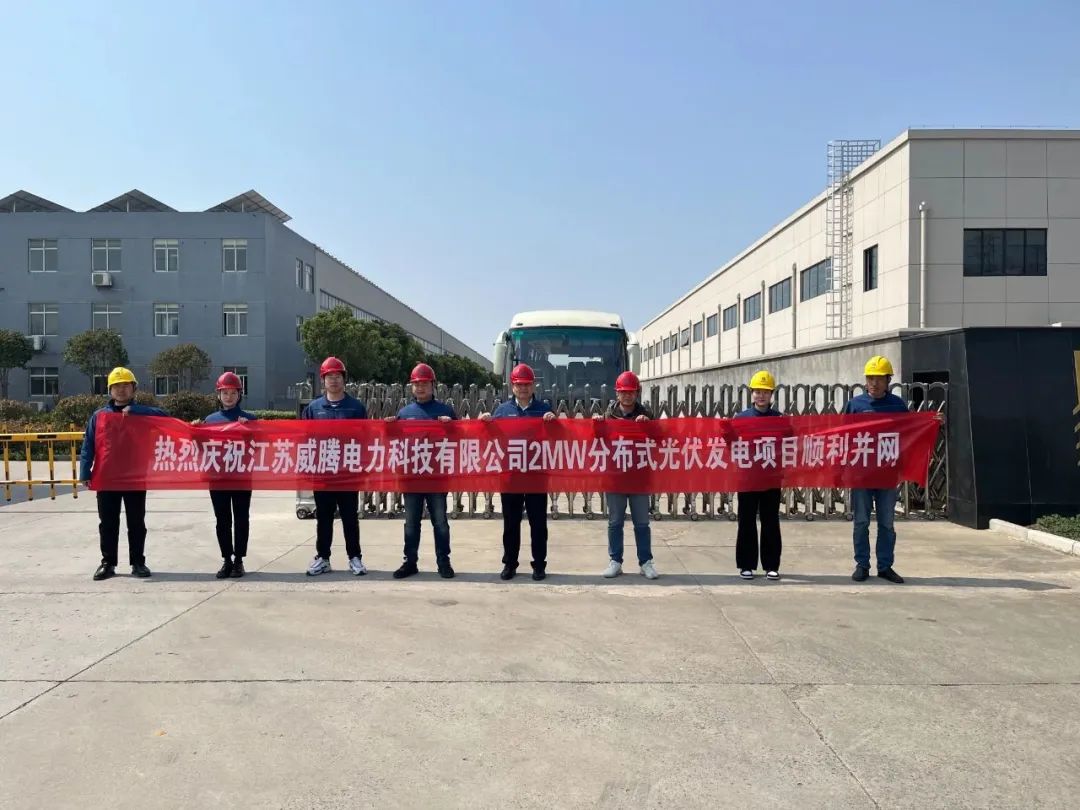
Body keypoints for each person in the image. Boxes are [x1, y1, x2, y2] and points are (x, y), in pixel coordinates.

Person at [80, 367, 168, 581]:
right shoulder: (99, 416)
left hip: (135, 477)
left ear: (133, 388)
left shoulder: (143, 414)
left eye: (125, 385)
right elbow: (88, 445)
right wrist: (85, 472)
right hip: (107, 477)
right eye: (116, 386)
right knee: (108, 523)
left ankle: (138, 562)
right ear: (110, 390)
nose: (121, 390)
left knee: (136, 523)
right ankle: (108, 563)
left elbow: (166, 418)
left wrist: (137, 411)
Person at [479, 363, 557, 581]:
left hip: (536, 475)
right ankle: (510, 564)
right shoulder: (502, 411)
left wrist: (554, 422)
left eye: (527, 384)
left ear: (533, 386)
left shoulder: (544, 410)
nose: (523, 388)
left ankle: (539, 565)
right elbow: (491, 440)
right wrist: (485, 424)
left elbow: (558, 439)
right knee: (511, 523)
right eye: (519, 384)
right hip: (510, 476)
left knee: (538, 524)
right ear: (512, 386)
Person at [386, 363, 456, 579]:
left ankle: (443, 562)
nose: (420, 387)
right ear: (411, 387)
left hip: (437, 477)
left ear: (433, 385)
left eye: (424, 383)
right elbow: (395, 443)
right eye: (416, 384)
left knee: (440, 522)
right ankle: (410, 562)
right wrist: (389, 428)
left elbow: (461, 438)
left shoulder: (445, 411)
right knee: (411, 523)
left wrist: (452, 425)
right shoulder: (404, 413)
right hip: (412, 477)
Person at [301, 356, 368, 577]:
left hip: (348, 473)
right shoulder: (313, 408)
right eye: (329, 376)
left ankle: (355, 557)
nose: (334, 380)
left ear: (344, 379)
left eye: (338, 376)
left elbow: (366, 439)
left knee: (350, 517)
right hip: (323, 474)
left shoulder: (356, 408)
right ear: (323, 380)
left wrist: (362, 467)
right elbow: (305, 440)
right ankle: (323, 558)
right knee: (324, 518)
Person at [843, 355, 908, 584]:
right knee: (861, 521)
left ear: (888, 380)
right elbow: (842, 436)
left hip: (887, 475)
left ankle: (885, 566)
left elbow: (910, 433)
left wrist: (933, 422)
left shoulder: (898, 406)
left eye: (879, 378)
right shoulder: (855, 405)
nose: (874, 382)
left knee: (886, 523)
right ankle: (862, 565)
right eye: (870, 378)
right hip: (861, 475)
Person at [594, 371, 659, 580]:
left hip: (639, 477)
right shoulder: (608, 415)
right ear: (617, 393)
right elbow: (598, 441)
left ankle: (645, 562)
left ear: (637, 393)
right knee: (615, 523)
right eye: (623, 392)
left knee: (642, 523)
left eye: (631, 392)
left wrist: (648, 425)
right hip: (615, 477)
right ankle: (615, 561)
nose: (627, 396)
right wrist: (597, 426)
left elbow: (660, 438)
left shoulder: (646, 413)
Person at [202, 372, 256, 579]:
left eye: (233, 393)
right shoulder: (210, 420)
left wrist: (249, 430)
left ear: (239, 395)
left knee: (241, 519)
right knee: (222, 520)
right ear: (218, 395)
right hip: (217, 478)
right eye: (225, 393)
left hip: (242, 476)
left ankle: (239, 560)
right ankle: (226, 559)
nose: (229, 397)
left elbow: (260, 446)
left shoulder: (249, 419)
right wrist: (194, 431)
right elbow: (201, 448)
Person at [734, 370, 784, 581]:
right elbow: (731, 445)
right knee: (746, 521)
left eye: (765, 392)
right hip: (747, 478)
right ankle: (746, 565)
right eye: (757, 391)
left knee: (770, 520)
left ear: (771, 394)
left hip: (771, 478)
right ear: (751, 393)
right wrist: (726, 432)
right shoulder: (741, 418)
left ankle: (771, 565)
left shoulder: (779, 419)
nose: (761, 395)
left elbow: (790, 445)